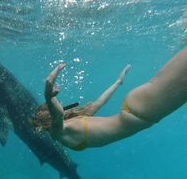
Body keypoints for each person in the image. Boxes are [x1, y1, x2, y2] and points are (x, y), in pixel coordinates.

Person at [32, 46, 187, 151]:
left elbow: (59, 114)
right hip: (138, 109)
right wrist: (117, 83)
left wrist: (49, 95)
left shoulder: (62, 132)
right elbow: (98, 102)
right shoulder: (66, 128)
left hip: (142, 112)